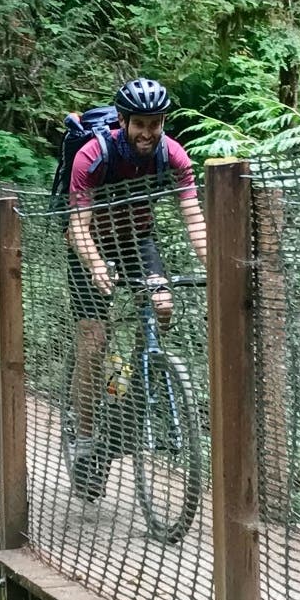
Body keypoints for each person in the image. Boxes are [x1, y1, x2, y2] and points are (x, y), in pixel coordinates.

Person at [65, 77, 208, 498]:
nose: (148, 132)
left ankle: (140, 374)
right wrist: (95, 265)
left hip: (136, 239)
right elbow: (77, 226)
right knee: (93, 339)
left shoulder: (173, 155)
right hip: (89, 242)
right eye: (140, 123)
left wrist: (216, 265)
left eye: (156, 122)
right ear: (123, 121)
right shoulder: (93, 155)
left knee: (163, 304)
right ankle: (87, 438)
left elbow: (194, 219)